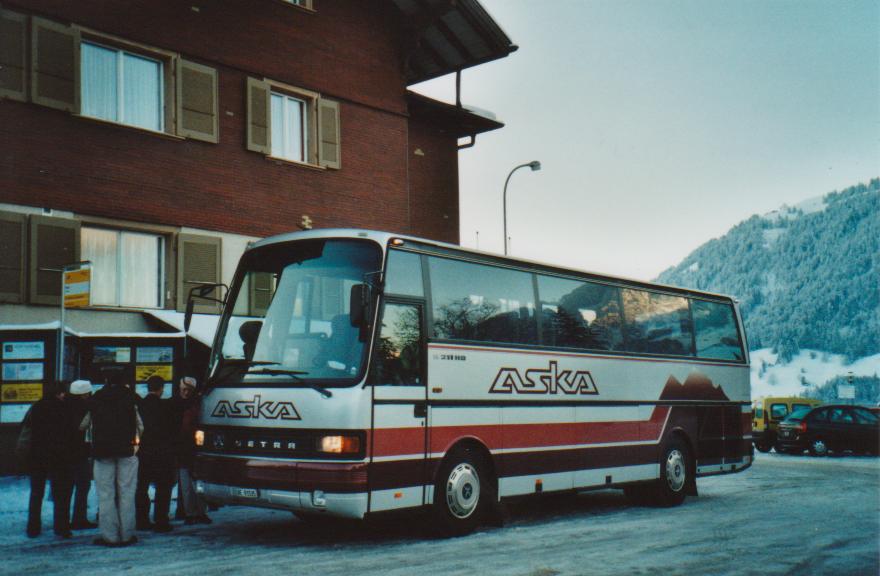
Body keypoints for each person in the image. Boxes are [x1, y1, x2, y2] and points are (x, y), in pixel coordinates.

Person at [82, 370, 143, 547]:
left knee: (106, 494)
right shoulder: (132, 397)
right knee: (127, 493)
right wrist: (136, 444)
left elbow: (84, 424)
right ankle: (127, 534)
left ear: (106, 381)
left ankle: (110, 536)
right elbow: (140, 425)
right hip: (127, 450)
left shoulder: (97, 398)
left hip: (102, 452)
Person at [21, 381, 76, 539]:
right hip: (59, 456)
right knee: (61, 493)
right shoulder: (64, 408)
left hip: (37, 455)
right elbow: (70, 432)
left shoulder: (36, 407)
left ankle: (33, 527)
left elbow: (27, 429)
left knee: (37, 492)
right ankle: (61, 527)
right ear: (59, 393)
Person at [135, 376, 176, 532]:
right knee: (163, 487)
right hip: (162, 451)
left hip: (144, 451)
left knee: (142, 487)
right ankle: (161, 520)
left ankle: (142, 520)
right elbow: (170, 428)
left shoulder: (141, 405)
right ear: (161, 388)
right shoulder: (165, 406)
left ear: (147, 387)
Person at [173, 376, 211, 525]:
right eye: (184, 389)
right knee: (193, 483)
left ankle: (192, 513)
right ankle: (198, 512)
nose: (185, 392)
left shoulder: (175, 403)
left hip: (186, 447)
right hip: (191, 446)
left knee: (189, 483)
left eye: (188, 390)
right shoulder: (199, 403)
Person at [67, 379, 97, 530]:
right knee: (83, 485)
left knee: (67, 488)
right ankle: (79, 518)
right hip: (79, 452)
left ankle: (65, 520)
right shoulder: (85, 408)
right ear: (84, 394)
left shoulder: (64, 406)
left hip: (66, 452)